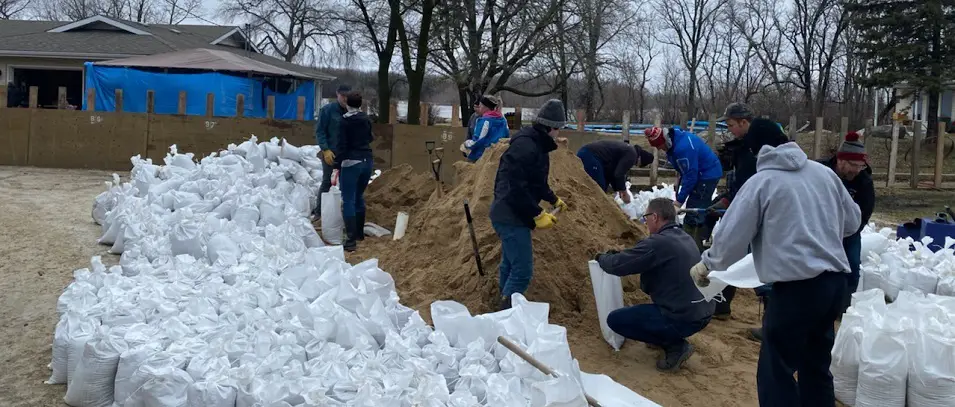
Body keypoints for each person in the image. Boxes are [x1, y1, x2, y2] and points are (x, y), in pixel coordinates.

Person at [690, 141, 861, 407]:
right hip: (834, 284)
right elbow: (852, 222)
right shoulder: (824, 174)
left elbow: (733, 236)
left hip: (797, 289)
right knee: (815, 365)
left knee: (776, 369)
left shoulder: (762, 182)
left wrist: (708, 263)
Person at [595, 197, 714, 371]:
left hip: (683, 317)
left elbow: (618, 265)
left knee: (615, 320)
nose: (645, 222)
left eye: (646, 218)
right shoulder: (684, 237)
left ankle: (675, 346)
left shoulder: (659, 243)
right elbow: (636, 258)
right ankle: (663, 335)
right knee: (649, 311)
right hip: (703, 312)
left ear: (655, 217)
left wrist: (601, 258)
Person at [706, 103, 790, 321]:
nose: (730, 129)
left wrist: (733, 204)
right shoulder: (743, 148)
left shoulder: (759, 152)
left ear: (744, 122)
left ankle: (772, 319)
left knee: (760, 263)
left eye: (732, 125)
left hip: (760, 216)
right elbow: (740, 183)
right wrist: (725, 199)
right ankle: (721, 305)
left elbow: (752, 187)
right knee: (735, 259)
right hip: (745, 207)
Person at [489, 99, 569, 310]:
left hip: (512, 213)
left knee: (509, 264)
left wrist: (553, 199)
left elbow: (536, 182)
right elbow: (515, 186)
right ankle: (506, 314)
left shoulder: (537, 145)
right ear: (549, 127)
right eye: (558, 129)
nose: (558, 134)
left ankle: (502, 306)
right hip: (510, 215)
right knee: (522, 271)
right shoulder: (526, 146)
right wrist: (536, 213)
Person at [644, 125, 722, 250]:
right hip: (702, 172)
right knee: (696, 209)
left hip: (706, 175)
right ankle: (695, 241)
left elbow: (691, 176)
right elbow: (685, 170)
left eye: (658, 146)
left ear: (664, 141)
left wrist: (679, 202)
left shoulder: (683, 149)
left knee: (694, 213)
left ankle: (692, 249)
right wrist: (679, 178)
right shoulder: (675, 138)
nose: (659, 149)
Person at [822, 131, 875, 310]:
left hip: (849, 231)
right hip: (819, 229)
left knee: (851, 265)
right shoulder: (822, 172)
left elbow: (865, 212)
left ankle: (842, 308)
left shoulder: (863, 181)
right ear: (840, 160)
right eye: (853, 165)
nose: (857, 170)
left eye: (861, 166)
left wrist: (850, 231)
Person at [334, 91, 374, 252]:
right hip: (367, 161)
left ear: (347, 104)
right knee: (359, 196)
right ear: (360, 104)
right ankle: (359, 234)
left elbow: (341, 144)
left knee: (348, 199)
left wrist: (337, 163)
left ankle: (350, 241)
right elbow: (370, 138)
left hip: (351, 162)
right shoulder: (366, 119)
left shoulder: (344, 122)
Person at [576, 140, 654, 203]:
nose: (634, 165)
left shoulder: (627, 150)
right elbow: (619, 174)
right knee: (598, 189)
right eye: (638, 165)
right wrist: (624, 192)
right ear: (640, 159)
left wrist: (618, 189)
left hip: (587, 153)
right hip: (590, 155)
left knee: (601, 190)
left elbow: (612, 172)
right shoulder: (632, 154)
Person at [314, 85, 350, 217]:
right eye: (343, 96)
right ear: (337, 94)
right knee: (327, 182)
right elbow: (320, 131)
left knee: (346, 184)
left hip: (346, 154)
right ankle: (319, 213)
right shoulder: (328, 110)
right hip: (331, 153)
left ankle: (340, 213)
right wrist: (325, 149)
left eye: (347, 96)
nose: (345, 99)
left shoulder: (352, 111)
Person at [460, 94, 509, 162]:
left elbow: (477, 140)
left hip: (482, 158)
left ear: (485, 107)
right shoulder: (503, 120)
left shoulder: (484, 121)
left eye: (480, 106)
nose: (479, 107)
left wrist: (466, 144)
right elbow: (506, 137)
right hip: (497, 158)